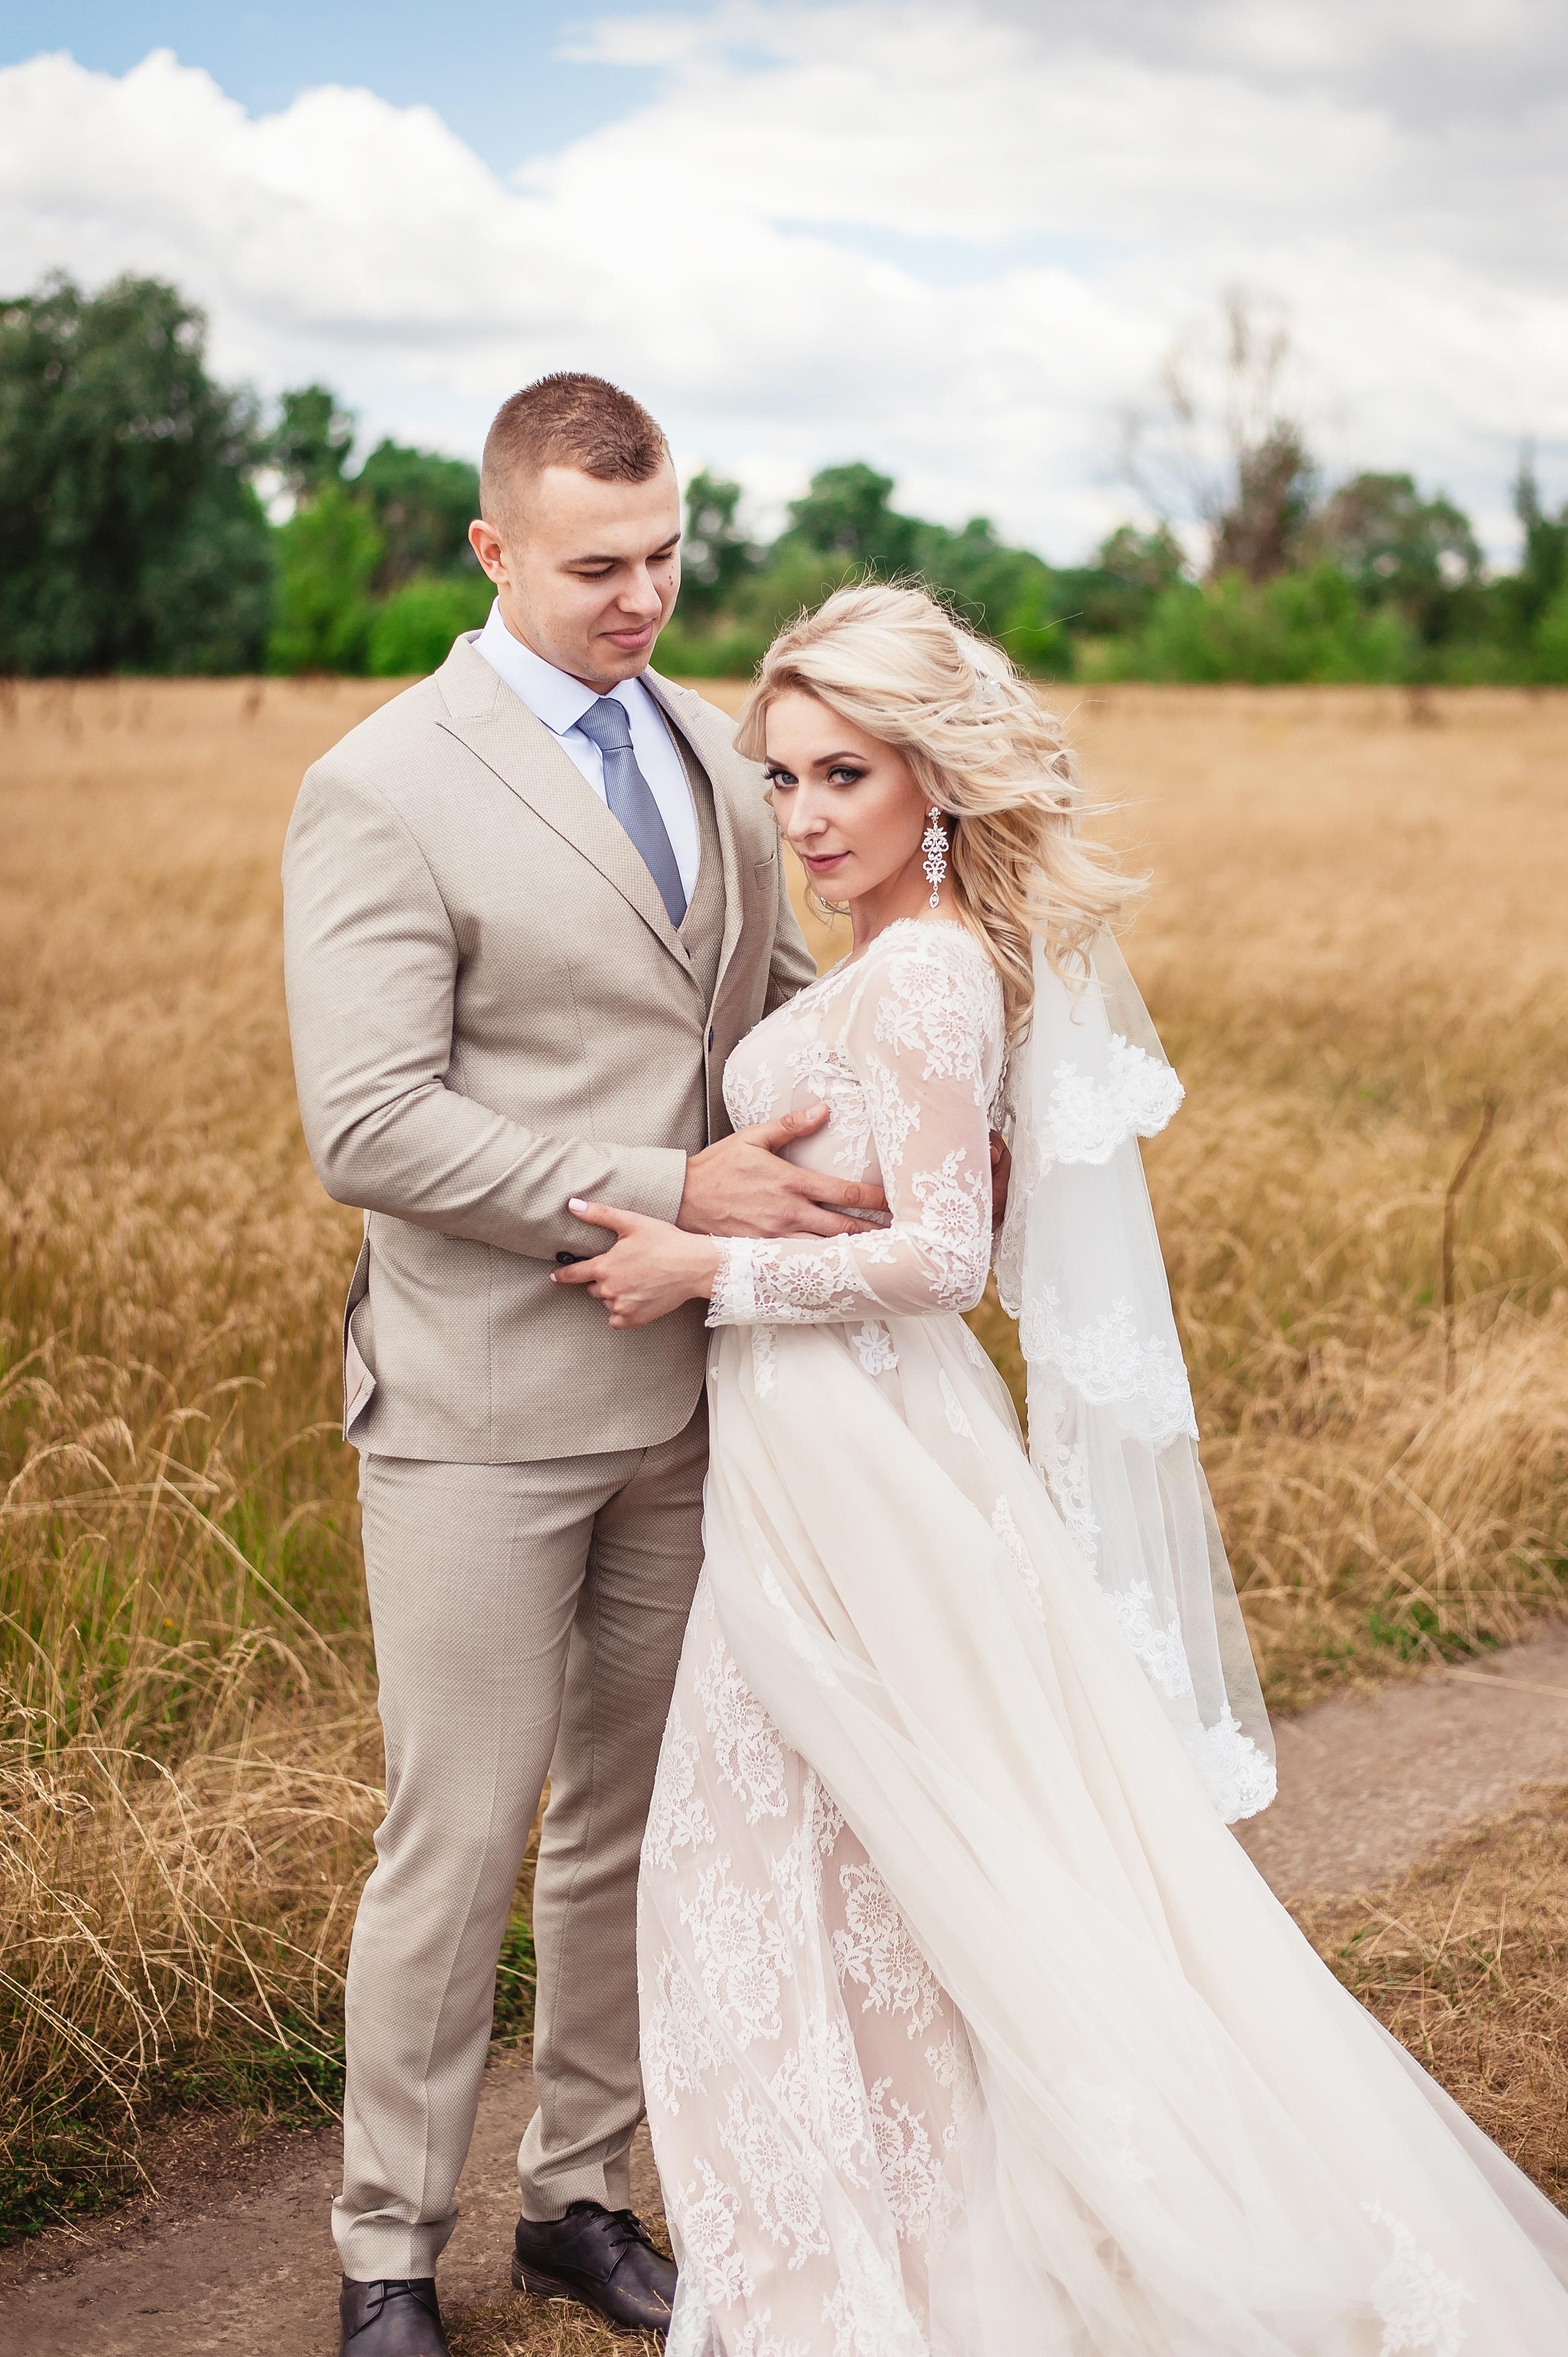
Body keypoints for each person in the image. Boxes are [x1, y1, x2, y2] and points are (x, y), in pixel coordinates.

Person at [559, 581, 1568, 2353]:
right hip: (815, 1449)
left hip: (871, 1443)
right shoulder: (891, 963)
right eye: (783, 777)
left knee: (874, 1836)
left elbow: (947, 1255)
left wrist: (703, 1262)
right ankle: (872, 2199)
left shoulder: (931, 973)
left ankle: (930, 2228)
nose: (804, 818)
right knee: (825, 1838)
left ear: (930, 783)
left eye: (843, 776)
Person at [281, 374, 892, 2356]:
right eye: (598, 566)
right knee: (456, 1839)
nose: (645, 598)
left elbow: (782, 1016)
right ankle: (388, 2250)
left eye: (667, 556)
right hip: (475, 1412)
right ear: (492, 550)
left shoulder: (719, 759)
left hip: (689, 1397)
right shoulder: (384, 782)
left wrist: (954, 1053)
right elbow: (365, 1124)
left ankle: (577, 2203)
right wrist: (662, 1183)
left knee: (631, 1820)